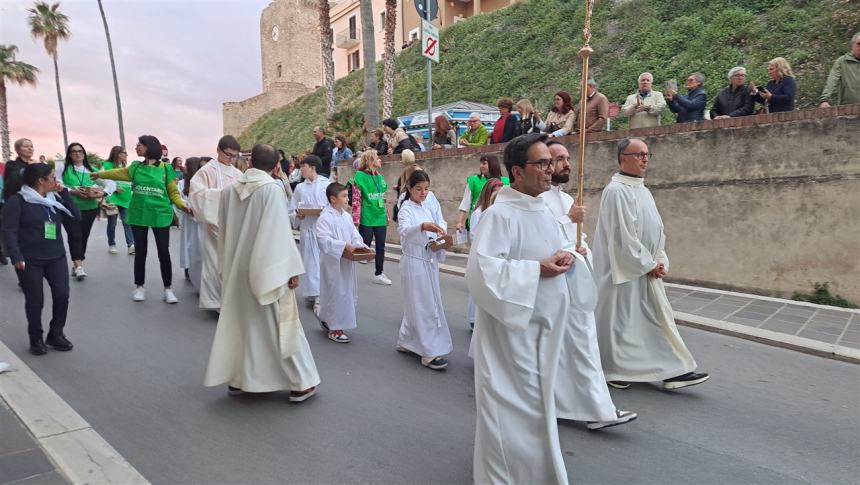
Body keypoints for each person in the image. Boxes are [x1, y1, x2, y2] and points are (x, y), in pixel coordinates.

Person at [466, 133, 577, 485]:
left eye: (552, 162)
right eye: (542, 163)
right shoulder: (499, 215)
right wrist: (536, 269)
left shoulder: (543, 208)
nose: (551, 170)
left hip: (544, 330)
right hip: (510, 336)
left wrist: (567, 256)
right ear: (517, 170)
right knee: (511, 412)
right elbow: (482, 272)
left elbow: (556, 249)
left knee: (538, 412)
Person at [203, 143, 319, 403]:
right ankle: (301, 381)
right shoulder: (271, 190)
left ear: (250, 162)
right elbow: (278, 234)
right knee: (283, 326)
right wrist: (290, 270)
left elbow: (222, 229)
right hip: (267, 268)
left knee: (245, 324)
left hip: (237, 267)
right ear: (277, 164)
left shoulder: (230, 191)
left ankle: (241, 379)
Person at [592, 138, 710, 390]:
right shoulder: (616, 191)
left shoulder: (643, 190)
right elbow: (621, 236)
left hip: (645, 269)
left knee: (657, 319)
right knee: (621, 324)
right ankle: (613, 370)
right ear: (622, 157)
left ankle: (673, 370)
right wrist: (646, 264)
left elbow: (656, 228)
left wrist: (659, 259)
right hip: (623, 271)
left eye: (647, 154)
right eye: (639, 154)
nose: (645, 159)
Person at [539, 139, 637, 430]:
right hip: (553, 287)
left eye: (568, 158)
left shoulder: (569, 200)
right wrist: (566, 221)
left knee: (583, 347)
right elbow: (539, 241)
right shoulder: (540, 200)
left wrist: (582, 249)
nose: (566, 164)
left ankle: (593, 406)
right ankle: (589, 408)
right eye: (559, 159)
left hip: (576, 285)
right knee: (569, 349)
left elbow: (579, 241)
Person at [92, 135, 190, 304]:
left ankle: (168, 289)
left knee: (163, 252)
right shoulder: (135, 167)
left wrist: (182, 205)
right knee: (141, 252)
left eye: (139, 145)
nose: (136, 147)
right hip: (138, 214)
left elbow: (173, 192)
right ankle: (139, 286)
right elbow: (117, 173)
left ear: (149, 147)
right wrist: (99, 174)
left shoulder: (166, 168)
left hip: (160, 214)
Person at [2, 163, 79, 355]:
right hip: (30, 260)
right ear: (41, 181)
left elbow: (76, 216)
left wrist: (66, 194)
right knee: (35, 301)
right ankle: (35, 338)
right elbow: (9, 231)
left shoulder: (54, 199)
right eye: (53, 177)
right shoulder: (17, 201)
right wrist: (16, 256)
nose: (56, 181)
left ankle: (56, 333)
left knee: (62, 295)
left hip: (56, 256)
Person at [396, 170, 452, 371]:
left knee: (423, 302)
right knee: (423, 304)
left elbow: (435, 226)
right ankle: (428, 351)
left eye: (426, 189)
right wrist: (422, 226)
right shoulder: (406, 210)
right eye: (419, 189)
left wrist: (439, 237)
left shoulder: (426, 208)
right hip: (414, 262)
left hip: (427, 260)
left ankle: (407, 340)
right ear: (410, 189)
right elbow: (403, 231)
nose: (423, 193)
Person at [189, 135, 244, 311]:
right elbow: (196, 194)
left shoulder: (238, 174)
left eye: (235, 156)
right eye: (228, 155)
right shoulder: (207, 171)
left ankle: (232, 302)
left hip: (235, 225)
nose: (232, 159)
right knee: (215, 263)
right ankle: (216, 303)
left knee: (234, 265)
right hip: (215, 224)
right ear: (218, 150)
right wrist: (223, 195)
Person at [315, 183, 369, 343]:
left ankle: (326, 317)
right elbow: (323, 240)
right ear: (333, 199)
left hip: (345, 262)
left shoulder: (345, 216)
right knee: (335, 293)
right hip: (332, 263)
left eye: (347, 196)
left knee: (344, 292)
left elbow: (354, 233)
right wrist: (343, 245)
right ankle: (335, 328)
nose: (347, 199)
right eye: (344, 196)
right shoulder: (325, 218)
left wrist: (360, 245)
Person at [62, 142, 112, 280]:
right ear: (69, 155)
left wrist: (102, 194)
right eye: (73, 151)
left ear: (84, 154)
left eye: (80, 151)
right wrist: (72, 191)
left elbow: (111, 183)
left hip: (90, 209)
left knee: (83, 236)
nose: (77, 154)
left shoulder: (92, 170)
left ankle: (78, 262)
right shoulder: (64, 169)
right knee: (75, 236)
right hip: (70, 209)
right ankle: (79, 266)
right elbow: (57, 184)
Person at [289, 155, 331, 312]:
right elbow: (292, 208)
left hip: (322, 230)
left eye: (303, 166)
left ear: (313, 167)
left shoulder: (327, 185)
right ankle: (313, 292)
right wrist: (297, 215)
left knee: (322, 262)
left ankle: (321, 292)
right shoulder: (300, 188)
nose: (301, 169)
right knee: (310, 263)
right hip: (307, 229)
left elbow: (332, 205)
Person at [349, 150, 392, 286]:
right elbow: (356, 199)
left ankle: (379, 273)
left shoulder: (380, 177)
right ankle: (346, 271)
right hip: (366, 216)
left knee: (381, 246)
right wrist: (355, 219)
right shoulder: (359, 176)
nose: (380, 160)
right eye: (377, 158)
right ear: (370, 160)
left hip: (379, 216)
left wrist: (386, 215)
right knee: (363, 245)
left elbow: (382, 198)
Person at [465, 178, 503, 330]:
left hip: (494, 255)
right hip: (481, 254)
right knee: (479, 287)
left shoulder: (499, 212)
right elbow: (474, 235)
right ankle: (474, 318)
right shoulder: (479, 213)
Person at [455, 154, 509, 233]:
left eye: (484, 163)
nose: (481, 166)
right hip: (477, 222)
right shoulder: (473, 181)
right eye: (481, 163)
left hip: (500, 222)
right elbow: (465, 203)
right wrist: (460, 222)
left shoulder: (506, 182)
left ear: (493, 164)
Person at [102, 146, 135, 255]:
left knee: (127, 222)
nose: (126, 155)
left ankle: (131, 245)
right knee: (112, 223)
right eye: (124, 153)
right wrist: (114, 188)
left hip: (126, 199)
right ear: (117, 153)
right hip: (112, 198)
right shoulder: (107, 165)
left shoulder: (126, 167)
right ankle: (112, 244)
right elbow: (101, 180)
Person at [180, 157, 206, 287]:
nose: (184, 167)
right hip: (188, 217)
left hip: (199, 220)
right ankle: (188, 270)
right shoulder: (182, 183)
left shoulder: (201, 182)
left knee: (197, 246)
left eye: (186, 164)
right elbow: (179, 198)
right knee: (188, 244)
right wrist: (184, 206)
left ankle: (195, 272)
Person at [820, 32, 860, 107]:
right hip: (847, 110)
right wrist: (824, 99)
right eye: (858, 44)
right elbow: (832, 79)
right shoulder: (842, 62)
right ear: (852, 45)